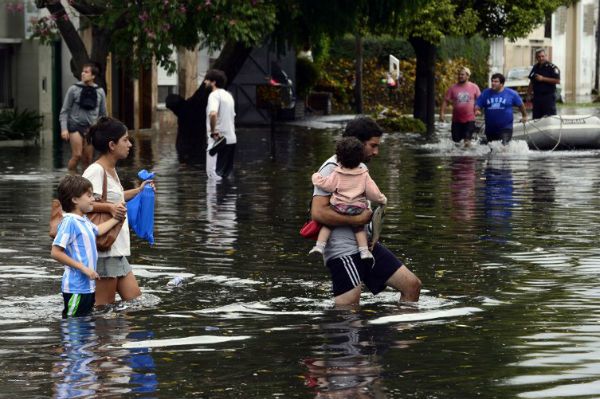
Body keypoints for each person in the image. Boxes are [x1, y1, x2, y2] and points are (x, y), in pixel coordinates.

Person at [310, 117, 421, 306]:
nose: (376, 152)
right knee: (349, 310)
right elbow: (318, 213)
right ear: (357, 143)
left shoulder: (360, 167)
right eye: (373, 145)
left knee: (412, 286)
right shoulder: (332, 167)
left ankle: (393, 335)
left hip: (365, 246)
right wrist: (356, 220)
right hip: (343, 250)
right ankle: (347, 334)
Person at [82, 117, 151, 307]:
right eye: (125, 140)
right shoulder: (95, 171)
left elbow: (115, 197)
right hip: (105, 251)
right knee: (103, 307)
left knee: (136, 301)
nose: (130, 144)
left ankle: (119, 336)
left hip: (116, 248)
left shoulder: (111, 169)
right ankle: (101, 336)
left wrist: (138, 191)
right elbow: (82, 205)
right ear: (112, 144)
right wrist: (110, 208)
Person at [50, 175, 122, 318]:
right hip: (75, 288)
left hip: (87, 287)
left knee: (84, 324)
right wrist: (83, 268)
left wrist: (117, 219)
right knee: (73, 324)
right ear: (75, 199)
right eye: (89, 195)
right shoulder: (69, 222)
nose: (93, 199)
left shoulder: (83, 220)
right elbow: (56, 252)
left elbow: (98, 230)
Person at [310, 136, 387, 260]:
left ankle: (319, 246)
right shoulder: (363, 174)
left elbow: (327, 185)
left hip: (339, 207)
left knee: (327, 226)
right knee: (359, 229)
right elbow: (373, 193)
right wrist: (382, 199)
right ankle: (364, 251)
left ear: (339, 157)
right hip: (358, 208)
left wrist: (316, 177)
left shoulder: (336, 172)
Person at [59, 63, 107, 172]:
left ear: (93, 76)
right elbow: (64, 111)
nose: (83, 74)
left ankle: (84, 183)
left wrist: (103, 131)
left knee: (88, 159)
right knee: (77, 155)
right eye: (82, 71)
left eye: (86, 72)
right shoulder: (73, 89)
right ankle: (70, 178)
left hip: (91, 128)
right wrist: (64, 129)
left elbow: (103, 114)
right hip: (75, 126)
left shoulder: (100, 91)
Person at [475, 73, 527, 145]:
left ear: (502, 84)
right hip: (490, 128)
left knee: (503, 147)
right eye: (492, 81)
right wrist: (477, 110)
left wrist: (524, 116)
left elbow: (521, 105)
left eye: (496, 81)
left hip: (506, 127)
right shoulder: (486, 93)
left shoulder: (511, 93)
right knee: (493, 149)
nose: (493, 83)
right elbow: (478, 104)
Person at [204, 69, 236, 181]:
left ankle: (214, 199)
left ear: (213, 82)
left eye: (207, 80)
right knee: (226, 177)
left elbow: (213, 114)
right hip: (231, 140)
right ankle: (228, 198)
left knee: (213, 176)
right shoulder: (229, 96)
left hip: (218, 141)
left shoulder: (214, 95)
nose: (205, 82)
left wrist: (213, 132)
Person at [440, 67, 481, 146]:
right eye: (459, 74)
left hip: (470, 119)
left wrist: (477, 109)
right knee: (456, 143)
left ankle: (467, 157)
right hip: (456, 120)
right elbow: (445, 101)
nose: (460, 76)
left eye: (462, 74)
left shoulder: (474, 87)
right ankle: (459, 157)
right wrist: (442, 113)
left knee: (467, 141)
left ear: (468, 76)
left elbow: (480, 100)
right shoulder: (452, 88)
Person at [527, 48, 561, 119]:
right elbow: (531, 82)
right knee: (536, 118)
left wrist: (543, 79)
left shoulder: (552, 67)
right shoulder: (535, 67)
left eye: (542, 56)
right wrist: (529, 95)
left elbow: (557, 81)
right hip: (537, 97)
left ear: (546, 56)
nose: (541, 58)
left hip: (548, 97)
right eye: (539, 57)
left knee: (549, 118)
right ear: (536, 58)